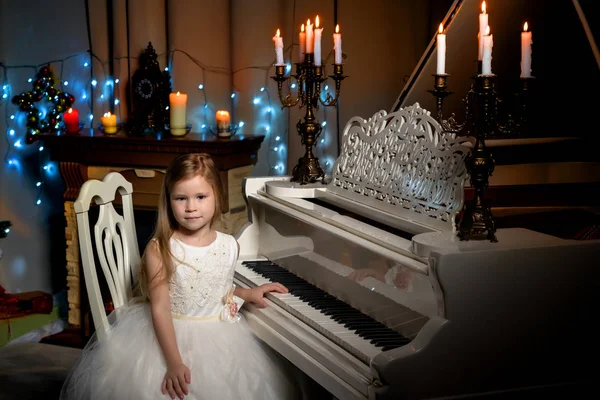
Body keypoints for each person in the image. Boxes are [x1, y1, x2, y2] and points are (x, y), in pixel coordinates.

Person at [60, 153, 302, 400]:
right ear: (169, 200)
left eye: (200, 197)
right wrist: (174, 363)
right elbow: (160, 309)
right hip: (171, 336)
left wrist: (247, 294)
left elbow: (215, 291)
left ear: (217, 196)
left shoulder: (229, 245)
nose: (191, 207)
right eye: (181, 198)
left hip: (221, 339)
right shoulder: (161, 249)